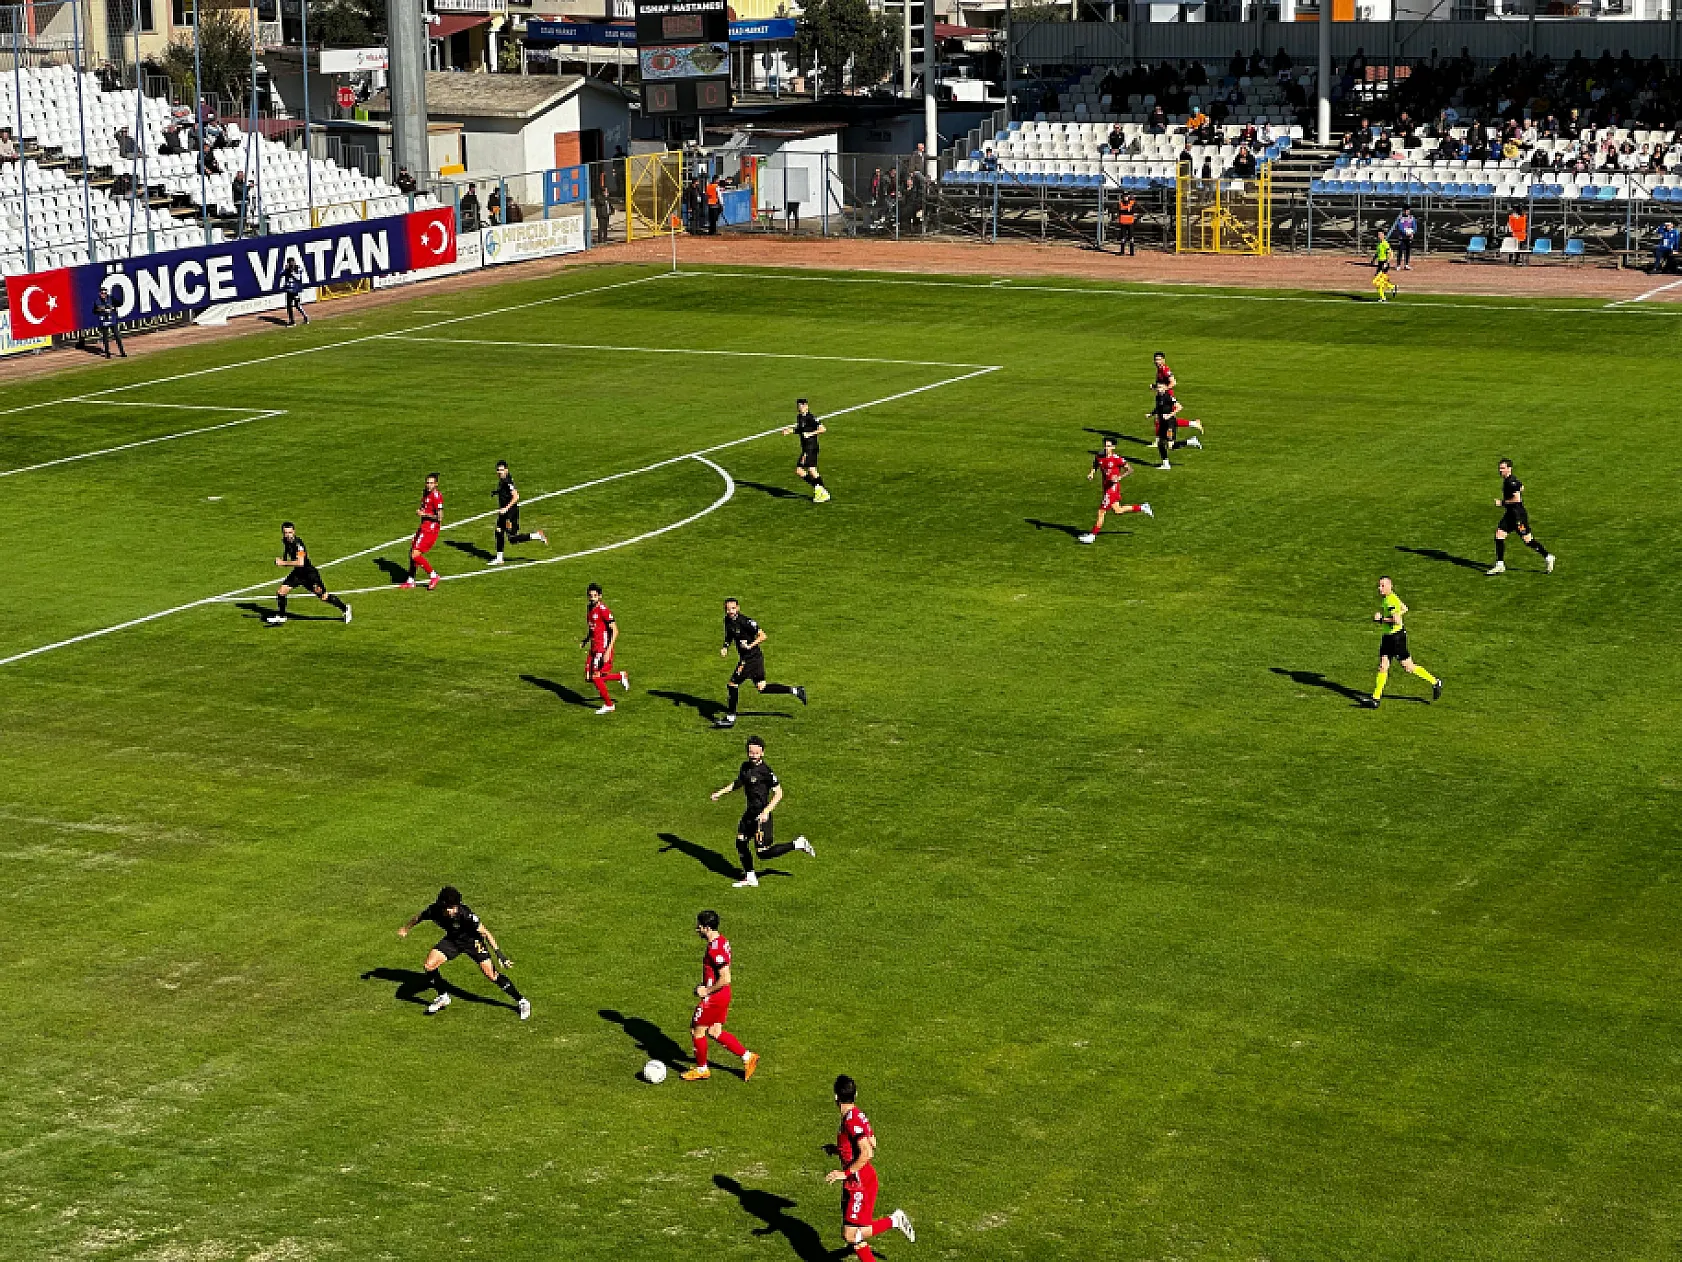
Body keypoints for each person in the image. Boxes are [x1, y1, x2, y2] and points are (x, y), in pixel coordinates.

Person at [397, 885, 530, 1020]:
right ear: (442, 905)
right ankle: (443, 997)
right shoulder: (434, 910)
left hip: (473, 942)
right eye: (450, 907)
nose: (454, 910)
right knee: (429, 966)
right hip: (453, 941)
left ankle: (522, 1001)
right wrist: (406, 929)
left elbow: (485, 932)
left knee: (492, 975)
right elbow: (418, 917)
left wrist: (499, 954)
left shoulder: (465, 914)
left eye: (455, 906)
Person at [825, 1075, 916, 1262]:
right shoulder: (857, 1115)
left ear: (835, 1097)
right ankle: (894, 1221)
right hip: (856, 1181)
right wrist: (839, 1150)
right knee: (855, 1237)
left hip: (860, 1183)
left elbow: (867, 1152)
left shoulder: (850, 1120)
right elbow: (872, 1141)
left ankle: (894, 1220)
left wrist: (845, 1173)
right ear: (855, 1094)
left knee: (851, 1234)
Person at [710, 735, 813, 890]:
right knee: (741, 842)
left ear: (762, 753)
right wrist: (720, 793)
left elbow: (779, 793)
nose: (753, 756)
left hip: (761, 816)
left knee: (763, 853)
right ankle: (751, 877)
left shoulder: (766, 772)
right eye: (750, 752)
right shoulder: (745, 767)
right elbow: (739, 782)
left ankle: (797, 843)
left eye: (756, 753)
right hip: (749, 814)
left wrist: (766, 812)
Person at [680, 910, 761, 1083]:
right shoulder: (721, 941)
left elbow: (725, 978)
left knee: (697, 1031)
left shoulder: (715, 950)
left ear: (707, 928)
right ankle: (748, 1057)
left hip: (715, 997)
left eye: (699, 927)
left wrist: (706, 991)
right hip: (722, 995)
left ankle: (702, 1069)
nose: (697, 929)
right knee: (715, 1031)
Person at [718, 598, 807, 727]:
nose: (730, 611)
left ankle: (730, 718)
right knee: (762, 687)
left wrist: (750, 645)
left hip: (750, 659)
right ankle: (796, 691)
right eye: (727, 609)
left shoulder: (746, 622)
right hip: (755, 658)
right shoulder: (727, 620)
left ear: (738, 608)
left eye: (732, 608)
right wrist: (725, 647)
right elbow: (729, 635)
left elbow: (763, 636)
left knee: (732, 684)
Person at [1363, 577, 1442, 709]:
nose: (1379, 588)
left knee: (1408, 667)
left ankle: (1435, 682)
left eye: (1382, 586)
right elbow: (1405, 608)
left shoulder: (1391, 601)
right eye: (1379, 585)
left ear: (1390, 586)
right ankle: (1375, 699)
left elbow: (1397, 621)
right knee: (1383, 666)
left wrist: (1381, 619)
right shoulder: (1391, 598)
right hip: (1388, 637)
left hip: (1397, 639)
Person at [265, 522, 351, 625]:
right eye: (285, 532)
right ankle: (282, 616)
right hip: (297, 574)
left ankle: (345, 609)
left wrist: (283, 563)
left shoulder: (299, 545)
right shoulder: (285, 541)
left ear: (294, 532)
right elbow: (288, 551)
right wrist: (283, 558)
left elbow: (300, 563)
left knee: (323, 596)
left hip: (309, 575)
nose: (288, 535)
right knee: (281, 592)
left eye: (290, 532)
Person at [1078, 436, 1153, 545]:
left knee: (1101, 511)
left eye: (1108, 446)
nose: (1106, 448)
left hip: (1112, 488)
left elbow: (1130, 469)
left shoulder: (1117, 459)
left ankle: (1092, 536)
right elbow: (1095, 464)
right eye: (1105, 445)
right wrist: (1091, 473)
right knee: (1118, 510)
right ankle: (1142, 507)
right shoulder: (1099, 456)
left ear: (1113, 447)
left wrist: (1120, 477)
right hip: (1106, 486)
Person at [1487, 458, 1555, 575]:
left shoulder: (1510, 482)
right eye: (1499, 468)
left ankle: (1548, 557)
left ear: (1509, 469)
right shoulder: (1512, 480)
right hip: (1510, 515)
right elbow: (1522, 487)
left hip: (1518, 517)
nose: (1500, 470)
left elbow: (1517, 499)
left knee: (1528, 540)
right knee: (1499, 535)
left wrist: (1502, 503)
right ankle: (1500, 564)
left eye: (1502, 468)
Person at [582, 582, 629, 714]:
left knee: (596, 676)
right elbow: (593, 626)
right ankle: (620, 676)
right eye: (590, 596)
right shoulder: (589, 608)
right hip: (593, 647)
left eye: (595, 596)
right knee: (589, 677)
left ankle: (609, 705)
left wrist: (608, 650)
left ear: (600, 596)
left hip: (602, 648)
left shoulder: (603, 610)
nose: (592, 598)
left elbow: (615, 630)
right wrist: (587, 639)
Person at [400, 472, 443, 590]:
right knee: (412, 551)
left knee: (415, 554)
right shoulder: (425, 493)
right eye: (427, 483)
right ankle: (410, 580)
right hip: (424, 526)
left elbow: (439, 517)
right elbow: (424, 507)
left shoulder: (436, 496)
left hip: (431, 529)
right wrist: (421, 511)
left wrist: (424, 514)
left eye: (431, 483)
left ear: (436, 484)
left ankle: (433, 575)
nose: (429, 485)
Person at [784, 397, 829, 502]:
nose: (801, 407)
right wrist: (790, 431)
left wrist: (810, 434)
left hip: (811, 447)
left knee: (809, 470)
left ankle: (822, 491)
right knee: (802, 470)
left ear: (807, 406)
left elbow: (823, 429)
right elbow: (801, 430)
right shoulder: (800, 417)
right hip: (806, 448)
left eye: (803, 405)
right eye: (799, 406)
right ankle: (821, 490)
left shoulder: (811, 418)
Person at [1149, 381, 1201, 470]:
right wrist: (1151, 414)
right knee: (1160, 443)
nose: (1159, 389)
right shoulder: (1158, 396)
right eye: (1158, 387)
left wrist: (1170, 415)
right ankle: (1166, 464)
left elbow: (1179, 407)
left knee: (1171, 446)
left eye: (1161, 387)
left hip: (1170, 424)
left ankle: (1191, 441)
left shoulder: (1168, 397)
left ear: (1165, 388)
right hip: (1163, 423)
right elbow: (1158, 408)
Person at [92, 285, 125, 359]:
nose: (103, 295)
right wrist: (101, 310)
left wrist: (113, 307)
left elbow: (119, 304)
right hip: (104, 321)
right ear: (99, 293)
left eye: (105, 293)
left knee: (117, 336)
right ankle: (107, 353)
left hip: (112, 320)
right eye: (102, 293)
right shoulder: (97, 301)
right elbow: (94, 311)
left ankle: (122, 352)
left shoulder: (110, 298)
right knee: (105, 338)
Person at [281, 258, 309, 326]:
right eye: (290, 263)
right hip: (289, 290)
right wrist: (285, 269)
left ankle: (305, 316)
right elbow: (280, 274)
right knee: (289, 306)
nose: (291, 264)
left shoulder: (298, 268)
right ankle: (292, 321)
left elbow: (298, 277)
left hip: (295, 290)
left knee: (297, 305)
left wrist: (291, 272)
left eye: (292, 262)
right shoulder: (287, 270)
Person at [1371, 234, 1397, 302]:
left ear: (1383, 236)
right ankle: (1391, 288)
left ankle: (1386, 293)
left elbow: (1391, 254)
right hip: (1380, 264)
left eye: (1380, 235)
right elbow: (1377, 253)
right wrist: (1373, 260)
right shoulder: (1379, 244)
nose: (1379, 236)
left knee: (1376, 281)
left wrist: (1387, 262)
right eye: (1378, 235)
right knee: (1381, 282)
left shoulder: (1385, 244)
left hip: (1384, 264)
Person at [1114, 191, 1137, 256]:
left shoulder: (1132, 203)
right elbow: (1119, 211)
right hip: (1123, 222)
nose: (1125, 197)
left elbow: (1133, 211)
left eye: (1126, 196)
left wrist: (1125, 210)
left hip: (1130, 222)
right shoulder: (1120, 203)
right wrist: (1127, 210)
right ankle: (1122, 251)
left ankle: (1132, 252)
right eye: (1124, 196)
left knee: (1131, 237)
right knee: (1123, 237)